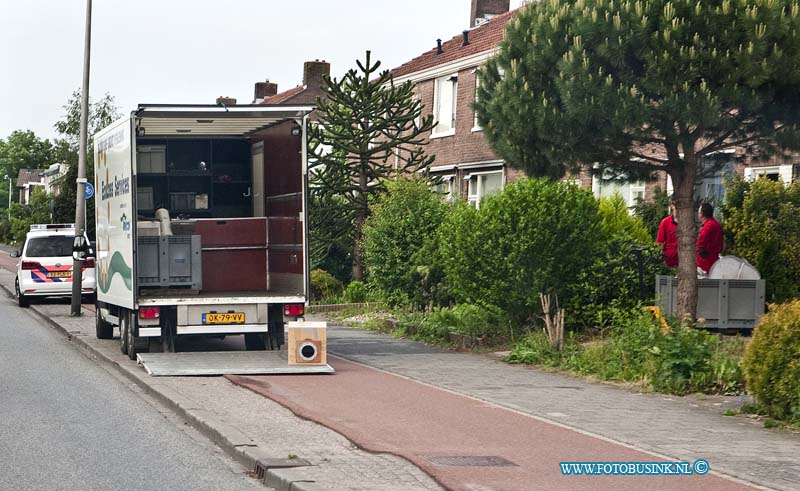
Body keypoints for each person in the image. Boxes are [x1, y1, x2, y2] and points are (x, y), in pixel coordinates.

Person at [696, 202, 723, 274]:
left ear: (702, 214)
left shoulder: (707, 226)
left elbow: (700, 243)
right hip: (714, 260)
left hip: (705, 262)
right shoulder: (716, 225)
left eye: (699, 213)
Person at [656, 198, 679, 268]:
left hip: (684, 261)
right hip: (670, 261)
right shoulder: (665, 222)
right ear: (672, 206)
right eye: (677, 207)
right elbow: (660, 242)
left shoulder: (687, 223)